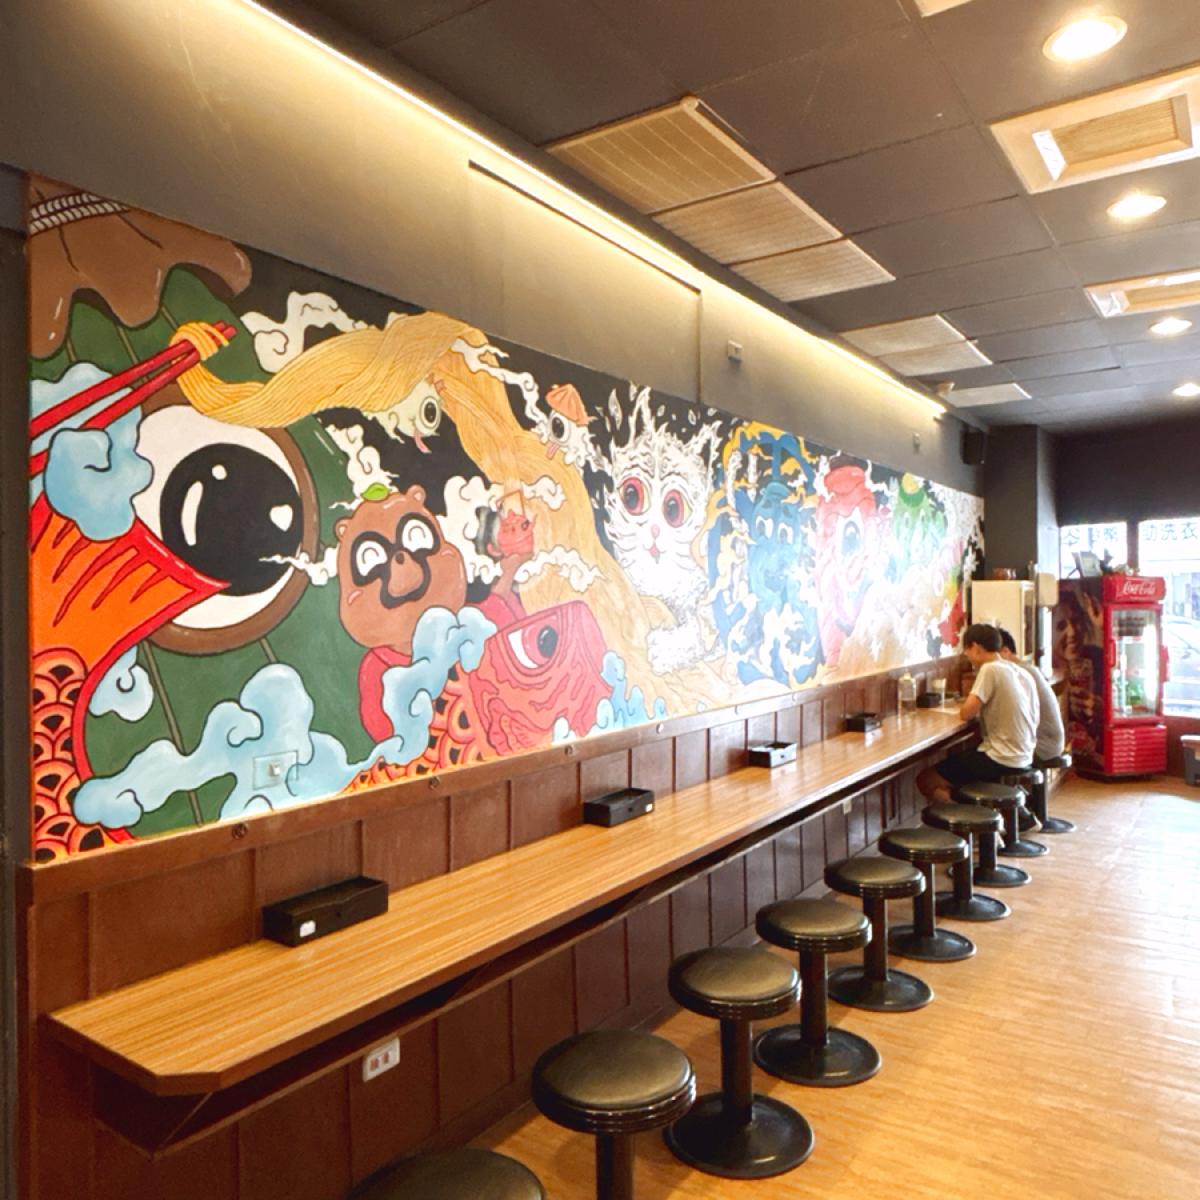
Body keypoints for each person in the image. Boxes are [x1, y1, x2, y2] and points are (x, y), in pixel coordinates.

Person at [917, 623, 1038, 806]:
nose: (967, 656)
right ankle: (982, 815)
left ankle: (964, 817)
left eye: (967, 651)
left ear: (975, 647)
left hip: (1001, 758)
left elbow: (966, 713)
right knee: (960, 760)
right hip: (1025, 755)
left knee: (927, 779)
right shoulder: (1021, 672)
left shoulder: (990, 669)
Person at [997, 628, 1065, 762]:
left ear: (1005, 651)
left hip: (1043, 747)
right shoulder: (1028, 669)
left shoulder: (1019, 674)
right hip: (1051, 743)